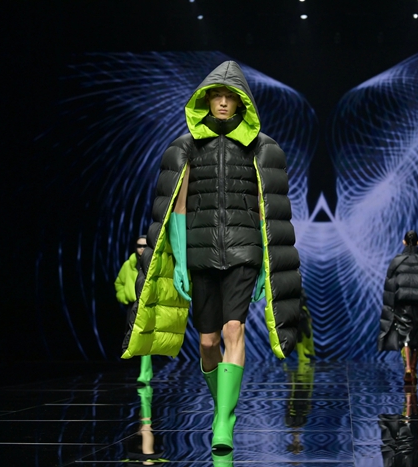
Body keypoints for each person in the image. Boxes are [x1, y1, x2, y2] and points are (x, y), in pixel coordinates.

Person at [121, 61, 302, 451]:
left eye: (228, 97)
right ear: (204, 100)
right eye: (215, 96)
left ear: (241, 103)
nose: (221, 102)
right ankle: (223, 405)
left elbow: (267, 208)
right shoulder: (184, 146)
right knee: (207, 342)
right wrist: (180, 261)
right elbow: (177, 206)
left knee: (233, 329)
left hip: (243, 250)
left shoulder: (263, 147)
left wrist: (265, 265)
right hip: (200, 254)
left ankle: (223, 421)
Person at [379, 230, 418, 385]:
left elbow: (390, 287)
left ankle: (407, 368)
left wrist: (389, 306)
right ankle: (413, 368)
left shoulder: (396, 262)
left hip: (402, 303)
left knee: (404, 334)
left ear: (404, 242)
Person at [114, 235, 153, 384]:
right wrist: (124, 296)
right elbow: (119, 283)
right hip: (133, 305)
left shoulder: (154, 262)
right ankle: (147, 371)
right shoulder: (128, 265)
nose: (142, 249)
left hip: (148, 304)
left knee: (144, 337)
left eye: (145, 246)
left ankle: (144, 373)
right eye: (139, 246)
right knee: (135, 338)